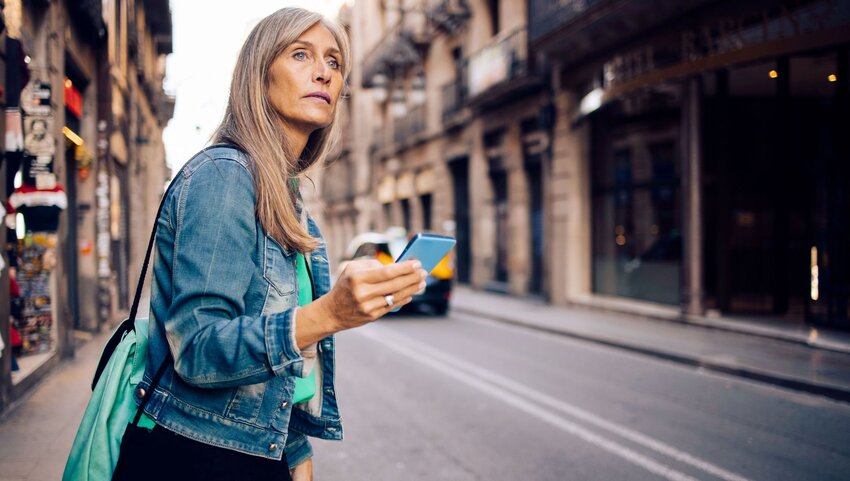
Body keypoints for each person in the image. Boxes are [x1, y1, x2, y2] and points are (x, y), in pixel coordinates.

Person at [111, 8, 427, 481]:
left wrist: (295, 447)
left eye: (335, 62)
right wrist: (330, 314)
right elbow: (198, 351)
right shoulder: (224, 177)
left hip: (256, 449)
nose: (324, 71)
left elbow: (269, 361)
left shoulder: (285, 195)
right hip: (197, 456)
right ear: (260, 75)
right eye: (301, 54)